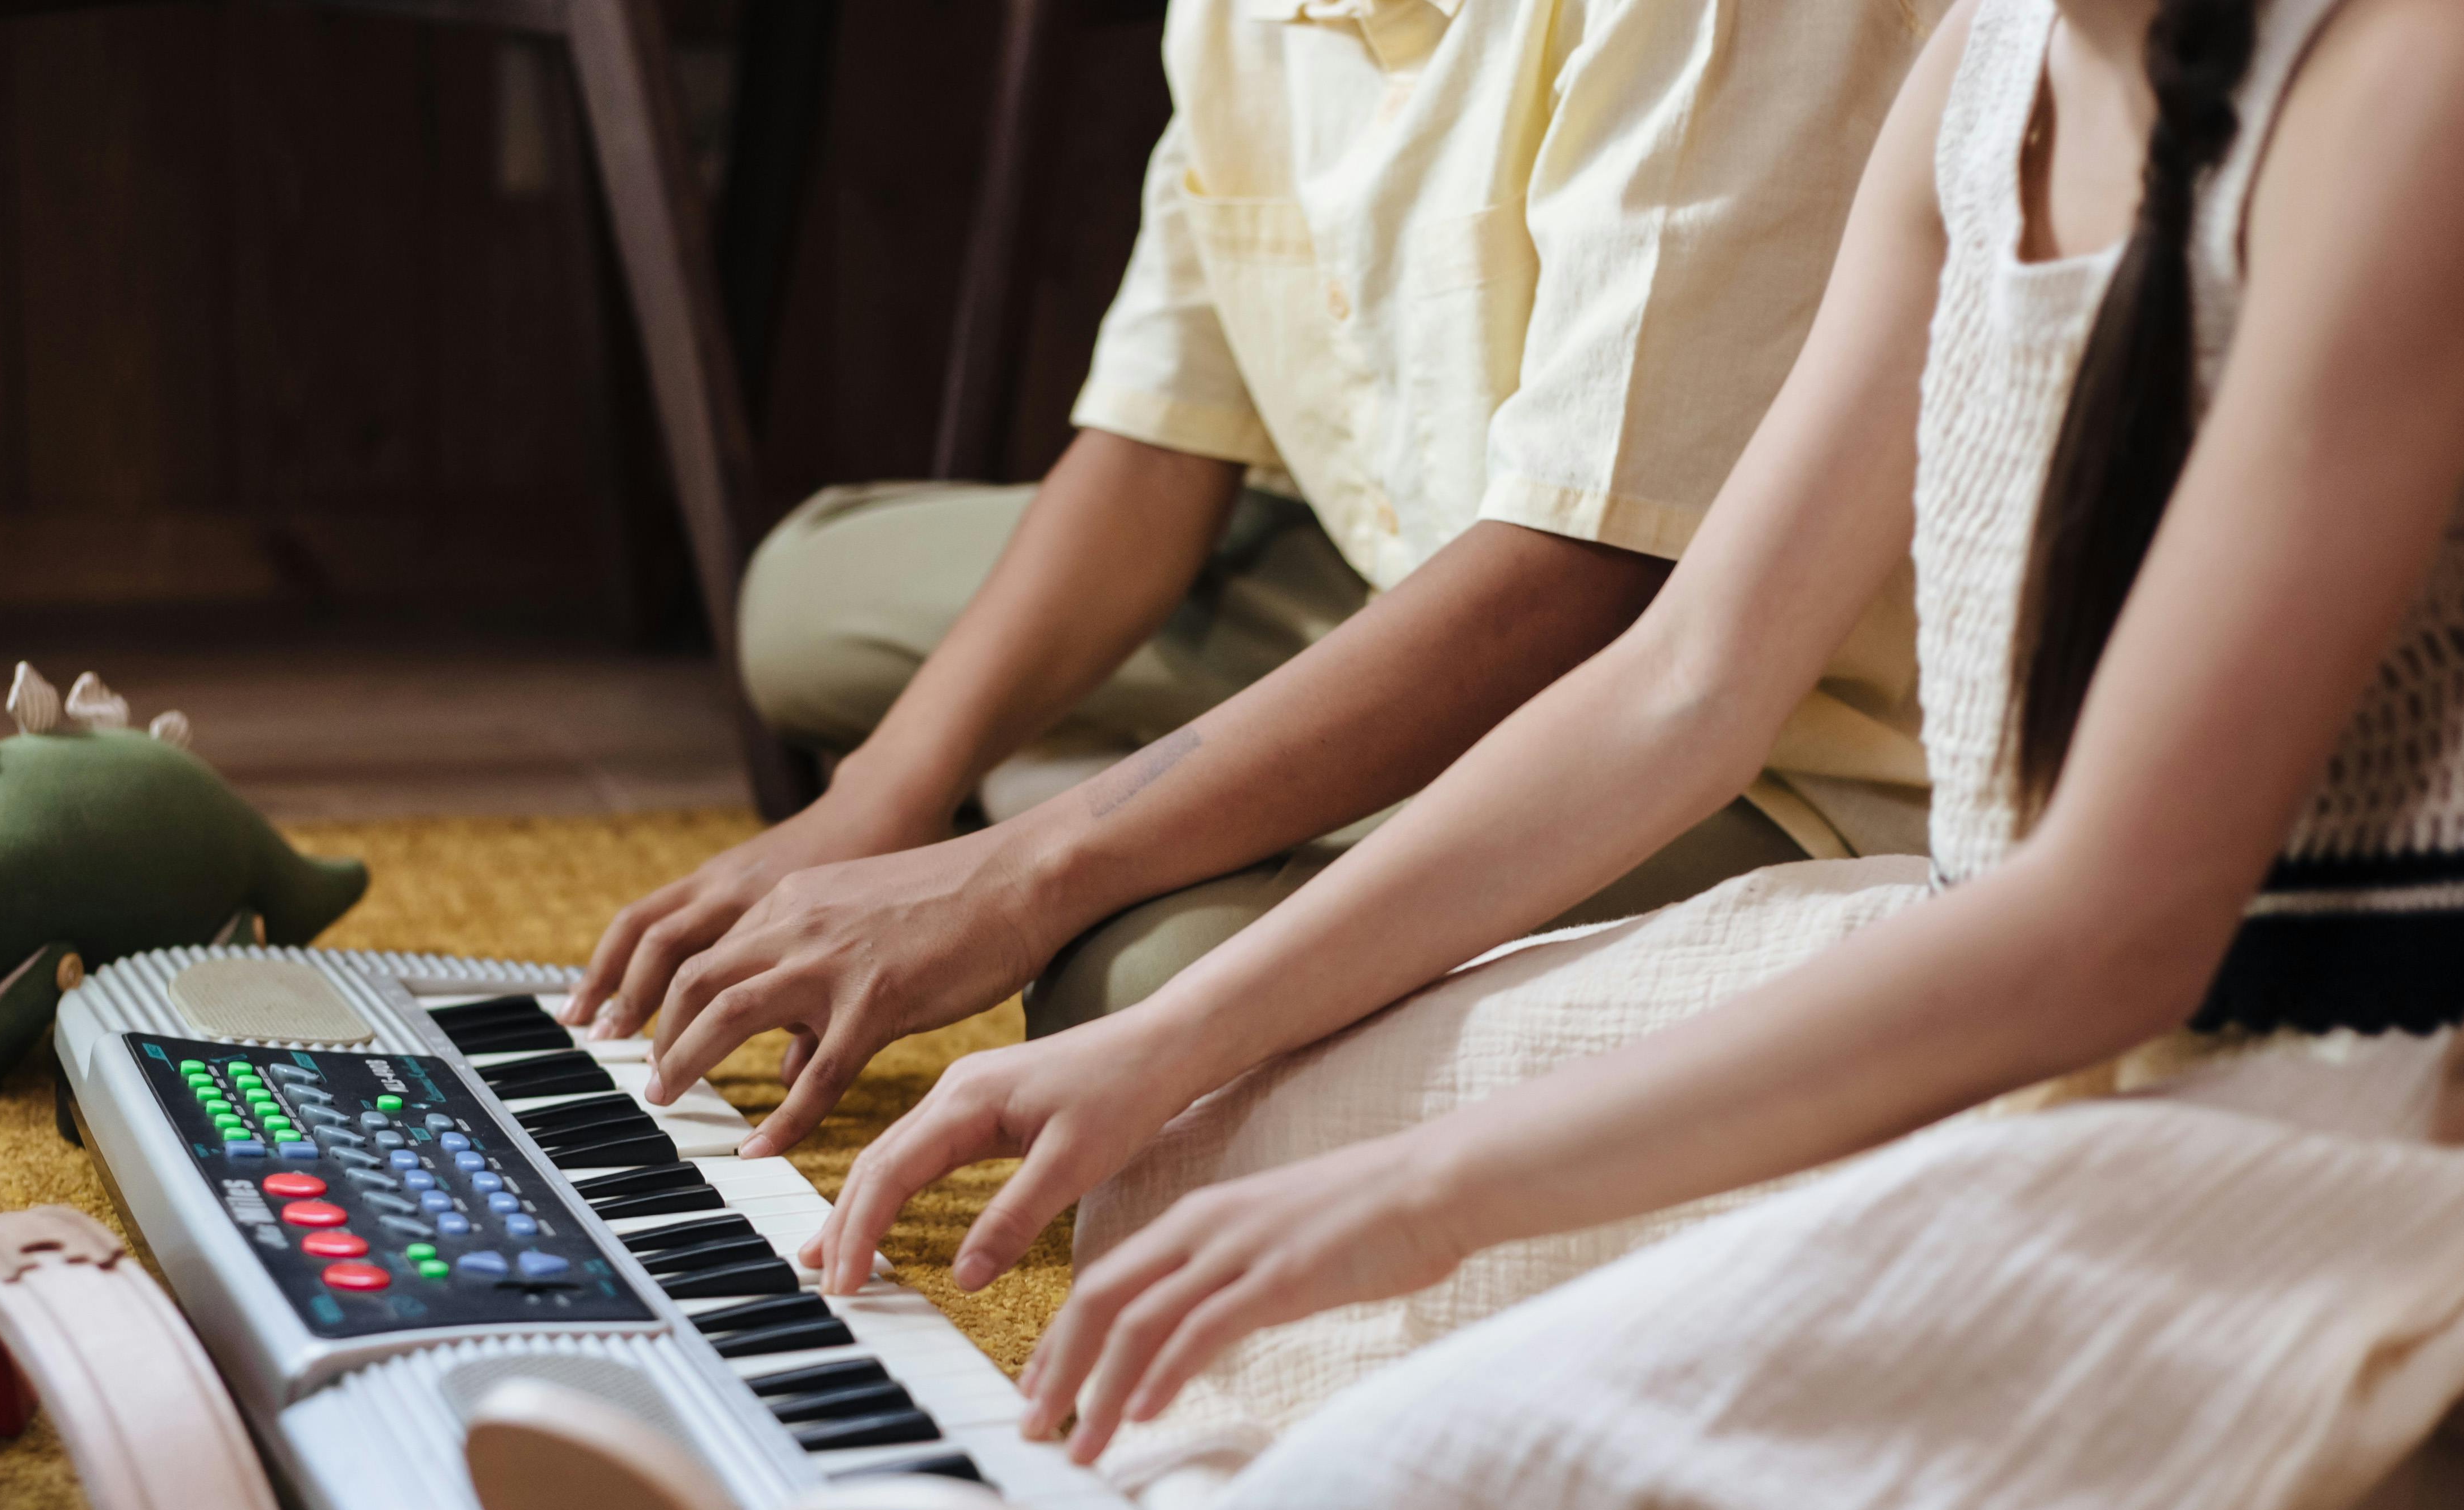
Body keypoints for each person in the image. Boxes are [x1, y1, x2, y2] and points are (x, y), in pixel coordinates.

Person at [801, 0, 2464, 1510]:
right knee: (1194, 1156)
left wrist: (1438, 1193)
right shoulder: (1982, 67)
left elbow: (2115, 933)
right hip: (1997, 988)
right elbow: (1680, 684)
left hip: (2361, 1101)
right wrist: (1161, 1049)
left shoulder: (2458, 55)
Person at [566, 0, 1949, 1155]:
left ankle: (1287, 777)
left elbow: (1591, 582)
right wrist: (878, 803)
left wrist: (1020, 872)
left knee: (1139, 979)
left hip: (1769, 710)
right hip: (1415, 562)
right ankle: (1317, 737)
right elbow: (1161, 436)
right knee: (807, 596)